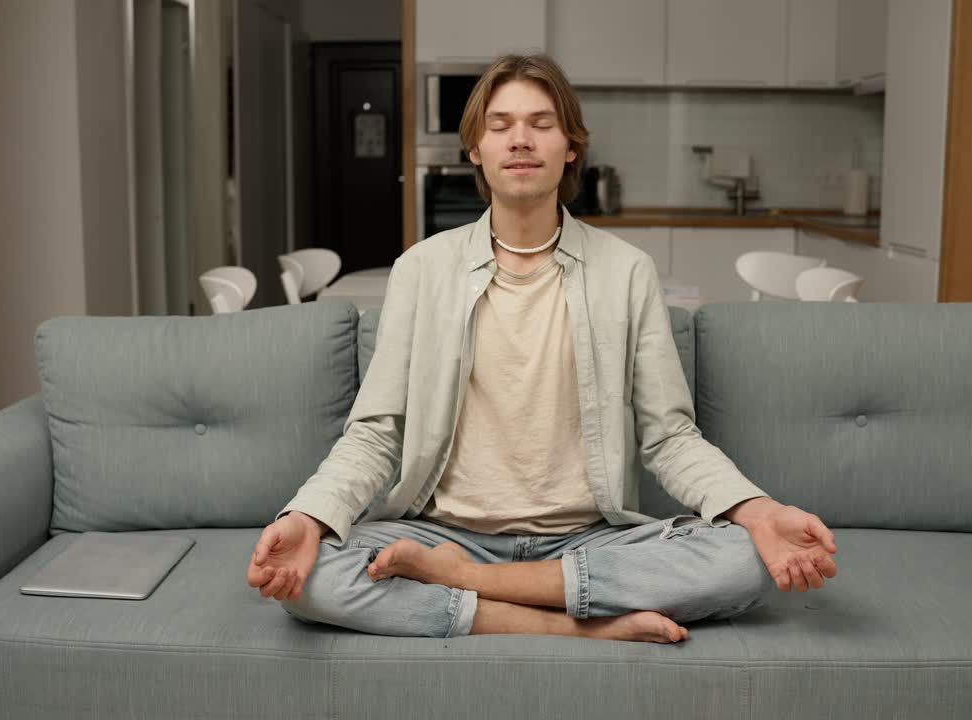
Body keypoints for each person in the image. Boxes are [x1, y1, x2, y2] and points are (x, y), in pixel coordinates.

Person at [248, 53, 838, 644]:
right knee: (310, 577)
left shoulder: (626, 271)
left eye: (542, 123)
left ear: (571, 146)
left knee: (748, 561)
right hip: (443, 531)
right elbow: (376, 433)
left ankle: (471, 584)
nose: (521, 140)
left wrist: (760, 513)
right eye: (500, 125)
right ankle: (573, 623)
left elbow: (669, 437)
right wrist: (308, 517)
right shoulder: (421, 269)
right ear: (476, 149)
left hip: (585, 538)